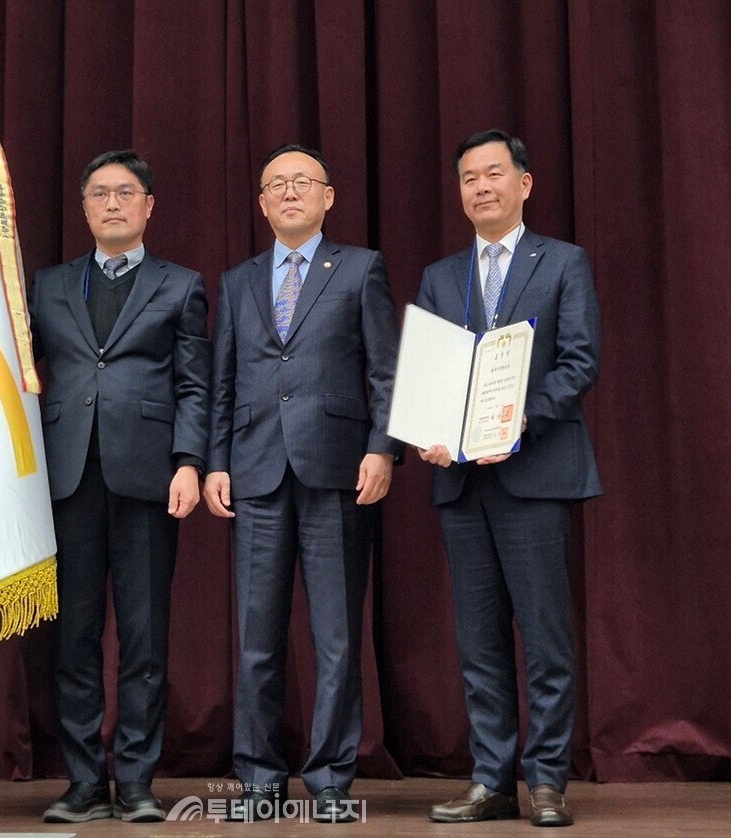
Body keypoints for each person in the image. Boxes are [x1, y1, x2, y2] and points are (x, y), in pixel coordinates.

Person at [203, 144, 403, 823]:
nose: (290, 193)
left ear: (328, 196)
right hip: (255, 473)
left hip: (338, 471)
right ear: (261, 203)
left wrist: (382, 449)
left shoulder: (360, 269)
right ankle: (259, 775)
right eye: (276, 186)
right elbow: (222, 384)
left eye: (302, 183)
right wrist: (216, 462)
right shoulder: (236, 282)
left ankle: (328, 778)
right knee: (257, 637)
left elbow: (385, 371)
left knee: (337, 636)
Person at [416, 130, 601, 828]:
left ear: (525, 183)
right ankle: (490, 780)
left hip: (534, 474)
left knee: (546, 639)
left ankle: (546, 780)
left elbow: (579, 363)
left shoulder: (562, 262)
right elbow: (431, 376)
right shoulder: (440, 277)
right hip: (462, 485)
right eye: (469, 178)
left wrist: (515, 424)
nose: (481, 187)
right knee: (479, 641)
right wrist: (431, 428)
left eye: (494, 174)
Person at [28, 150, 210, 824]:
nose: (112, 204)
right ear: (84, 207)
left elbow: (195, 383)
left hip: (148, 480)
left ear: (148, 206)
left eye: (125, 193)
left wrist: (190, 460)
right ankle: (82, 781)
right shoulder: (46, 285)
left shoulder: (181, 284)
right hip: (67, 479)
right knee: (72, 635)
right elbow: (18, 377)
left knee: (143, 636)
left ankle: (135, 779)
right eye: (99, 193)